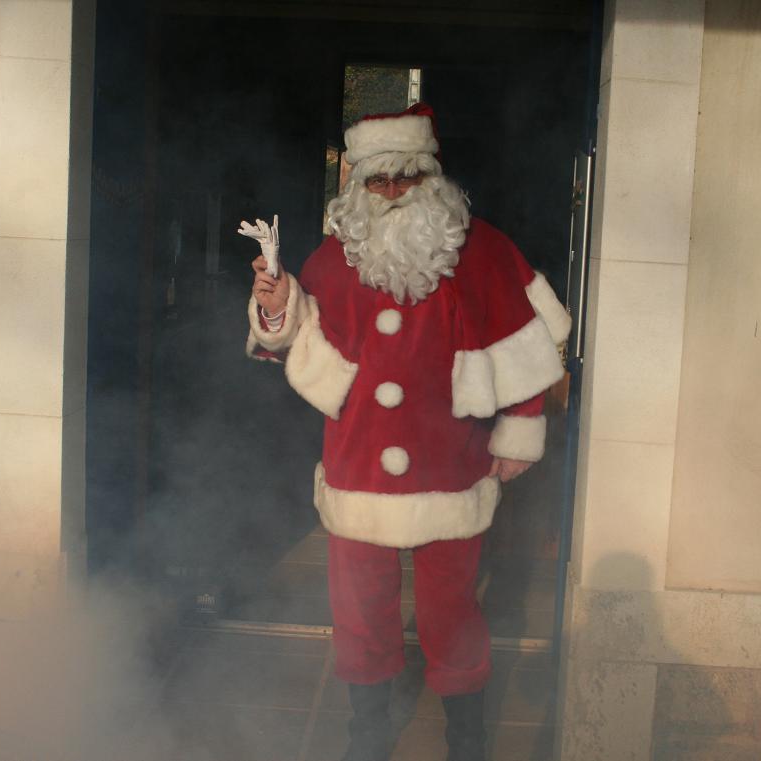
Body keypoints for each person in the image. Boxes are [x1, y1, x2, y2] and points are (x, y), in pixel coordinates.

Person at [243, 103, 570, 761]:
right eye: (378, 179)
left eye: (406, 176)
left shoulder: (481, 249)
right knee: (359, 611)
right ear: (358, 184)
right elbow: (299, 336)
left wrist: (518, 430)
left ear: (431, 177)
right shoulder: (335, 257)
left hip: (451, 462)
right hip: (359, 463)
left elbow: (525, 346)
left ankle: (466, 739)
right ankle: (366, 734)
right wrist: (276, 308)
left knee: (453, 612)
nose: (392, 191)